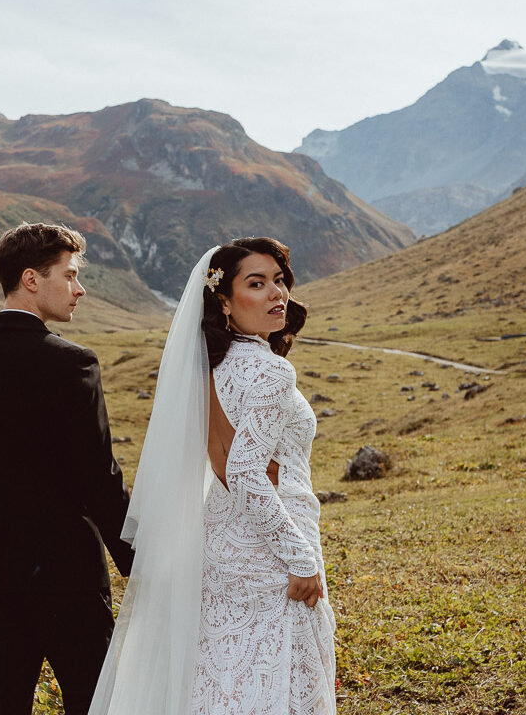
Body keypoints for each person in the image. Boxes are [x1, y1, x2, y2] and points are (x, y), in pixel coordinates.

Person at [89, 237, 336, 715]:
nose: (276, 294)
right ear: (224, 301)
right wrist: (300, 557)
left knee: (223, 672)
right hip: (273, 550)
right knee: (274, 677)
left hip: (221, 544)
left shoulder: (210, 367)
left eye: (279, 281)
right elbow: (244, 472)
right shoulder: (270, 374)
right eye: (257, 283)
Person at [0, 222, 135, 715]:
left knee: (3, 702)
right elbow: (99, 476)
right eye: (70, 275)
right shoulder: (74, 364)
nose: (80, 289)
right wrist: (135, 559)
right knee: (93, 702)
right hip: (71, 571)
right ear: (32, 279)